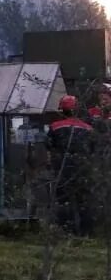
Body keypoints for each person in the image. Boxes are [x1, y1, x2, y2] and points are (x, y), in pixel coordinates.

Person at [47, 94, 95, 235]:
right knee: (84, 201)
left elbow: (49, 146)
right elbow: (93, 148)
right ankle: (86, 232)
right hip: (83, 168)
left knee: (63, 200)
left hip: (63, 168)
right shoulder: (88, 128)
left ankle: (66, 230)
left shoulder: (55, 127)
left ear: (62, 110)